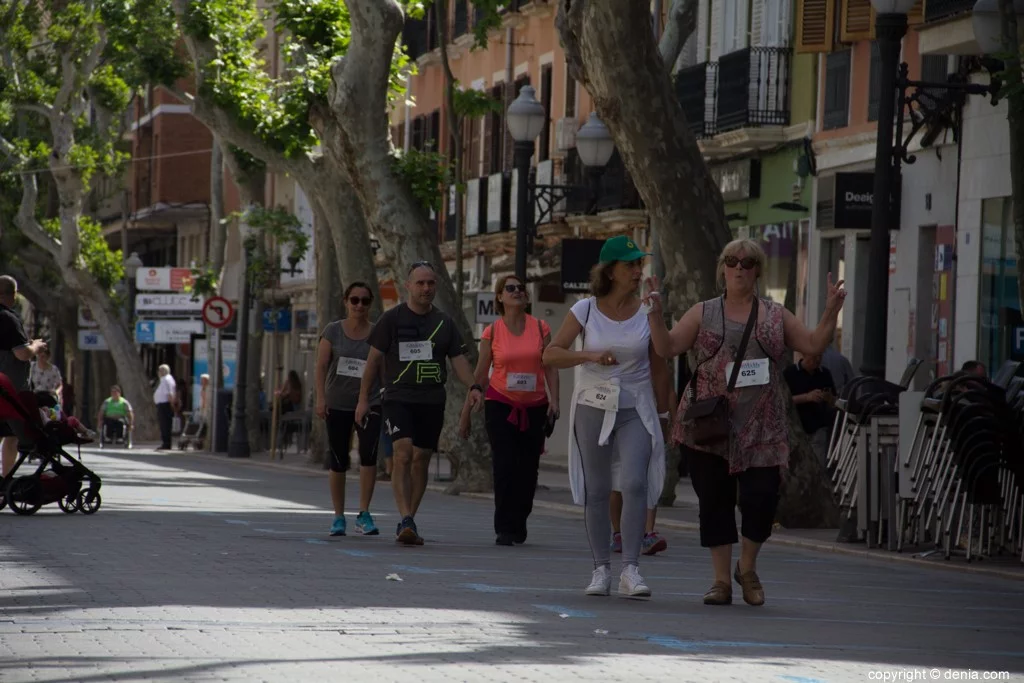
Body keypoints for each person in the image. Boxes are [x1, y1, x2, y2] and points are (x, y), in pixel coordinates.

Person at [645, 238, 846, 607]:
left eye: (748, 262)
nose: (740, 267)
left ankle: (747, 566)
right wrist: (655, 314)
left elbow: (814, 344)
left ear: (757, 271)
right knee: (714, 502)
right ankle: (721, 581)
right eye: (733, 261)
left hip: (762, 425)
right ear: (722, 267)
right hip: (710, 422)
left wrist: (832, 309)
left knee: (762, 498)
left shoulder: (774, 314)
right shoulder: (703, 312)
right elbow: (667, 348)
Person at [543, 236, 673, 598]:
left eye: (639, 264)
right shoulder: (585, 310)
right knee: (597, 489)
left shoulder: (648, 310)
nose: (637, 270)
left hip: (636, 408)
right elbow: (550, 354)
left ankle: (631, 569)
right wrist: (589, 356)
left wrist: (666, 413)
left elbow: (663, 358)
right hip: (592, 405)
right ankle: (601, 569)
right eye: (630, 264)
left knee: (633, 483)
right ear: (611, 270)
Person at [356, 260, 481, 545]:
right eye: (420, 283)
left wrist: (473, 386)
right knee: (402, 454)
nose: (426, 288)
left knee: (421, 458)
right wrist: (363, 400)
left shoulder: (444, 322)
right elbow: (373, 362)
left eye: (431, 283)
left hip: (432, 399)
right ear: (408, 286)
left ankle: (409, 518)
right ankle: (406, 518)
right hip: (398, 398)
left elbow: (459, 361)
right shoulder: (392, 319)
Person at [459, 274, 559, 546]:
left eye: (520, 288)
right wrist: (466, 413)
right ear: (500, 297)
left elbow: (550, 366)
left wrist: (555, 401)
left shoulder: (540, 328)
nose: (517, 292)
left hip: (535, 406)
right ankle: (504, 526)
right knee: (504, 465)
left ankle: (520, 519)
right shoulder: (492, 332)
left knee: (528, 469)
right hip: (500, 403)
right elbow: (480, 374)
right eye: (510, 288)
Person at [316, 282, 383, 537]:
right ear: (346, 302)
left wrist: (387, 398)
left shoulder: (378, 333)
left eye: (365, 301)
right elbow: (321, 366)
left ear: (370, 304)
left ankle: (364, 514)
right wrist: (321, 399)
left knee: (368, 455)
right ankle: (338, 516)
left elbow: (383, 369)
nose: (359, 305)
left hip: (371, 402)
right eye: (354, 300)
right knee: (338, 459)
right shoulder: (333, 331)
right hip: (338, 403)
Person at [0, 275, 47, 476]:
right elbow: (22, 354)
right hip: (8, 391)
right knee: (11, 436)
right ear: (13, 295)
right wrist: (36, 346)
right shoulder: (8, 319)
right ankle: (6, 478)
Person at [784, 353, 837, 468]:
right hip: (795, 428)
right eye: (813, 356)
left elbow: (834, 401)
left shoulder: (825, 373)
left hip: (818, 427)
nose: (817, 360)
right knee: (797, 467)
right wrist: (807, 397)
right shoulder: (790, 373)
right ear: (804, 354)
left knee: (818, 466)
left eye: (820, 356)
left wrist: (829, 398)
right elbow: (783, 400)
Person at [153, 364, 177, 450]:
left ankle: (166, 444)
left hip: (165, 405)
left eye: (159, 371)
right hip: (163, 404)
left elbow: (169, 394)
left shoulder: (166, 379)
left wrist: (172, 405)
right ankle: (165, 442)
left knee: (165, 425)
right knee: (164, 424)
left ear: (163, 371)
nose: (158, 372)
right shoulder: (166, 379)